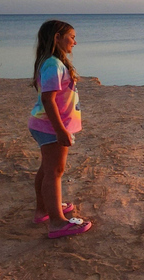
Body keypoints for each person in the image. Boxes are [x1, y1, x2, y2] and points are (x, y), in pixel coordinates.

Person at [29, 20, 93, 238]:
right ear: (57, 37)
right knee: (55, 172)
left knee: (48, 169)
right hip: (50, 126)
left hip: (44, 125)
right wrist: (60, 130)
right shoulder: (53, 65)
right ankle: (57, 222)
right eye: (72, 36)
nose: (75, 42)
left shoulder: (52, 62)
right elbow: (48, 99)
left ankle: (43, 210)